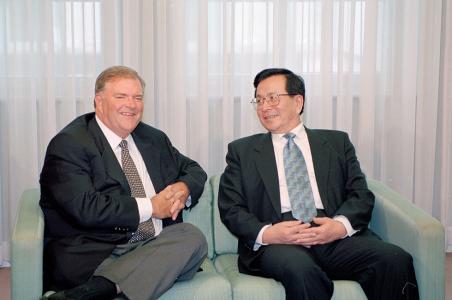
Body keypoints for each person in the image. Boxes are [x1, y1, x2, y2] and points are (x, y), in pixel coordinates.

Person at [218, 68, 419, 300]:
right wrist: (270, 233)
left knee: (395, 259)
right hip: (279, 242)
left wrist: (340, 226)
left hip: (331, 232)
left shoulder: (336, 142)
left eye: (272, 98)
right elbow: (231, 208)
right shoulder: (242, 152)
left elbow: (360, 194)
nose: (264, 106)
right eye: (259, 100)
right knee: (301, 270)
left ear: (298, 101)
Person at [39, 66, 208, 300]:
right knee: (180, 254)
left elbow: (194, 170)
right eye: (121, 97)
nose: (132, 104)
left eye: (138, 98)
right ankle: (127, 283)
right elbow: (85, 208)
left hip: (153, 245)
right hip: (99, 251)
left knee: (192, 237)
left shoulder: (153, 138)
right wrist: (151, 207)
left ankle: (101, 290)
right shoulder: (70, 143)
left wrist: (183, 188)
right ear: (99, 101)